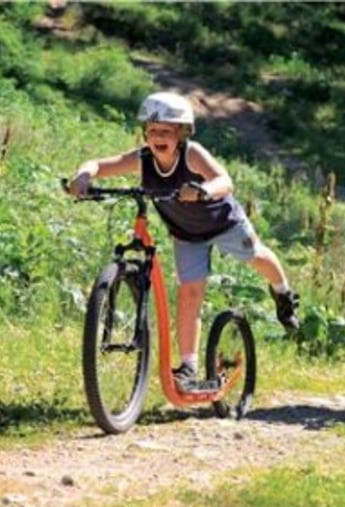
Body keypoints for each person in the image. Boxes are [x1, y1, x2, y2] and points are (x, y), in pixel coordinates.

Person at [68, 91, 300, 388]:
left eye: (165, 131)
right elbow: (98, 164)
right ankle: (188, 367)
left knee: (256, 255)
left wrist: (202, 191)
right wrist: (83, 177)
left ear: (182, 133)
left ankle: (283, 293)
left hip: (223, 222)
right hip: (186, 234)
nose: (157, 137)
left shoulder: (192, 154)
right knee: (189, 293)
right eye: (152, 131)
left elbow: (225, 181)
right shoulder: (143, 159)